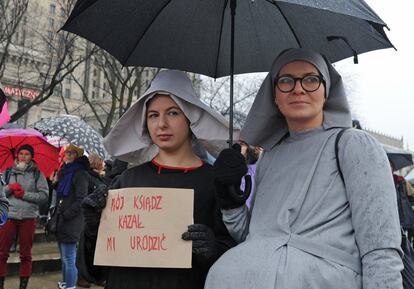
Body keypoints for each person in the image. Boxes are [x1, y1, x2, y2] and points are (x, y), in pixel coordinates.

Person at [205, 48, 403, 289]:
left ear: (326, 90)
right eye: (286, 81)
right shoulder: (270, 157)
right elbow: (256, 239)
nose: (298, 88)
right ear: (274, 96)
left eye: (310, 79)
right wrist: (230, 200)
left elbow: (380, 247)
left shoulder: (354, 145)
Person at [81, 70, 235, 289]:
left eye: (173, 113)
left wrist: (215, 250)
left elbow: (234, 259)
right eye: (153, 115)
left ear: (190, 118)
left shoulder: (216, 185)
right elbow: (93, 271)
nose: (161, 124)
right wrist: (93, 228)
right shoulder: (126, 181)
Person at [0, 144, 49, 289]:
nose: (23, 156)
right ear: (17, 155)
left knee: (26, 254)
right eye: (21, 153)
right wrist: (9, 188)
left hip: (28, 217)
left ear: (31, 157)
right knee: (2, 252)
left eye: (26, 154)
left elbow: (44, 196)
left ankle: (23, 285)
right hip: (8, 215)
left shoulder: (37, 174)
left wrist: (24, 195)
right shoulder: (7, 172)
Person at [55, 144, 89, 289]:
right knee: (64, 258)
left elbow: (82, 198)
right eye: (66, 152)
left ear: (77, 156)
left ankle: (70, 286)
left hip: (72, 220)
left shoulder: (80, 173)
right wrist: (55, 182)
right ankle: (65, 284)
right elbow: (62, 194)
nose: (67, 155)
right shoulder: (65, 171)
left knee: (69, 258)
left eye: (71, 153)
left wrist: (67, 213)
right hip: (62, 219)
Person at [76, 153, 108, 288]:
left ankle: (97, 276)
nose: (104, 164)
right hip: (88, 216)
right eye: (102, 161)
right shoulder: (88, 176)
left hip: (98, 216)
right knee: (84, 249)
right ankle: (82, 277)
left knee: (95, 249)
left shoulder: (99, 178)